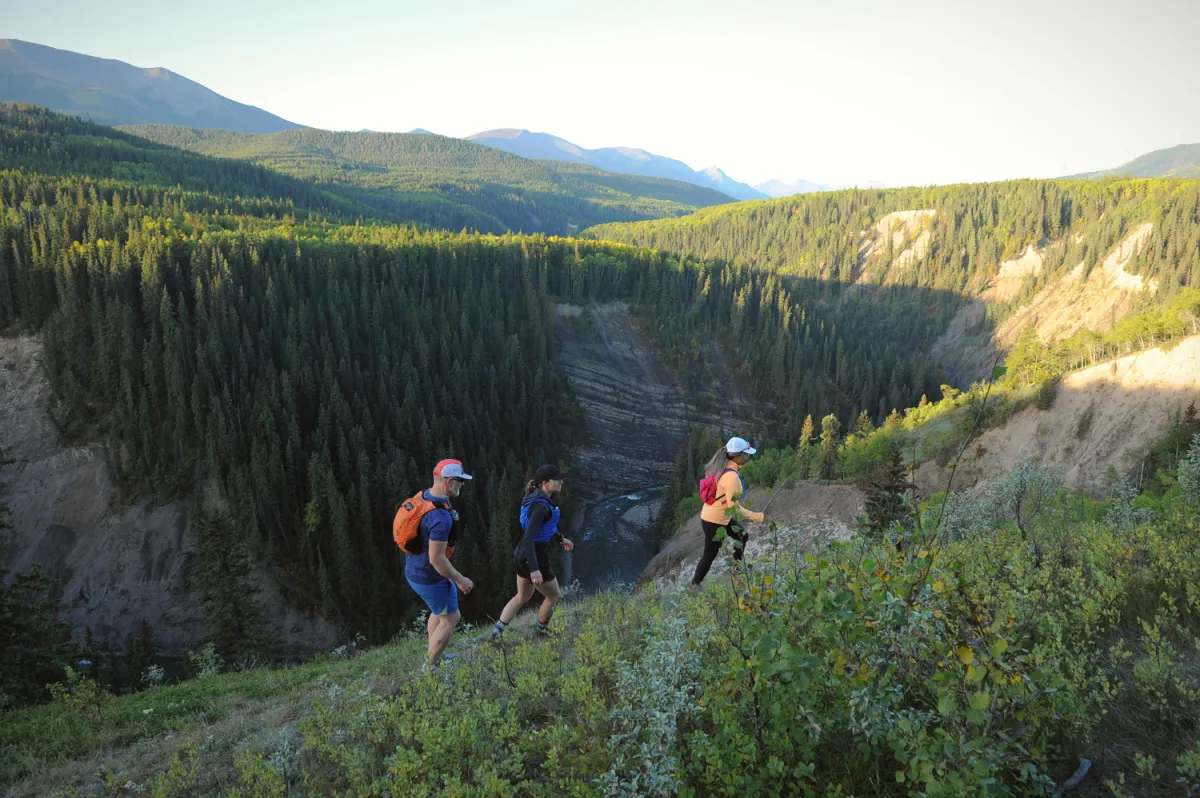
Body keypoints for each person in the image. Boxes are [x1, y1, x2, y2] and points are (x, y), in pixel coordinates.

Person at [485, 464, 575, 642]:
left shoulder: (537, 498)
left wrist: (560, 539)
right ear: (544, 483)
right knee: (554, 595)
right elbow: (530, 537)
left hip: (522, 555)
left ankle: (495, 634)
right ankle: (541, 629)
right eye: (556, 480)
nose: (561, 482)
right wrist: (534, 569)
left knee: (522, 596)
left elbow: (544, 528)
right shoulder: (541, 506)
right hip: (534, 556)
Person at [400, 459, 475, 668]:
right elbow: (437, 558)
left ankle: (435, 655)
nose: (463, 484)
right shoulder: (440, 516)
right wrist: (461, 580)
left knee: (439, 611)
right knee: (451, 618)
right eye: (460, 481)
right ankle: (430, 669)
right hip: (429, 575)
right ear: (448, 482)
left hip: (414, 569)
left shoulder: (425, 496)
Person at [692, 436, 766, 586]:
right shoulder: (731, 476)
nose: (748, 456)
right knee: (710, 554)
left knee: (742, 535)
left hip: (716, 517)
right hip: (714, 521)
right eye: (746, 453)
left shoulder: (725, 469)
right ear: (737, 456)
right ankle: (694, 584)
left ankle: (737, 571)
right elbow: (734, 508)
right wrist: (756, 517)